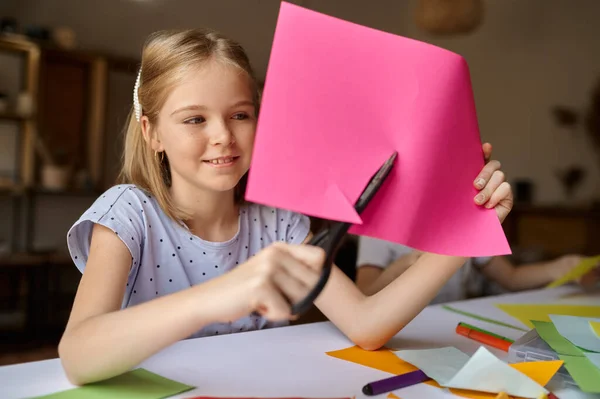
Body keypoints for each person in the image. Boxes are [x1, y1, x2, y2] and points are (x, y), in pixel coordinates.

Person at [58, 28, 514, 386]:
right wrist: (219, 296)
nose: (222, 135)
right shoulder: (126, 214)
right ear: (152, 132)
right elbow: (77, 355)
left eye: (240, 114)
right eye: (195, 119)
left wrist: (469, 229)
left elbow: (367, 325)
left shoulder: (276, 221)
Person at [356, 238, 600, 300]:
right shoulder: (376, 229)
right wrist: (403, 266)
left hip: (453, 327)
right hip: (397, 330)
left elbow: (511, 277)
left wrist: (560, 267)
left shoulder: (462, 220)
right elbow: (364, 292)